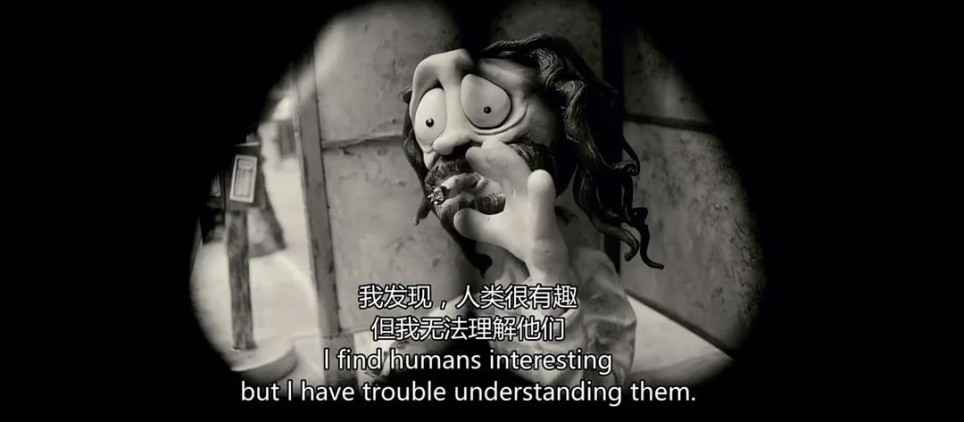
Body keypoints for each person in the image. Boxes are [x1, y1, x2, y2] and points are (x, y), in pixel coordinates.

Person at [370, 32, 663, 389]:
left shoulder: (589, 276)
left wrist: (549, 272)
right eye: (430, 123)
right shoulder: (484, 290)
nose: (449, 142)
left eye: (487, 110)